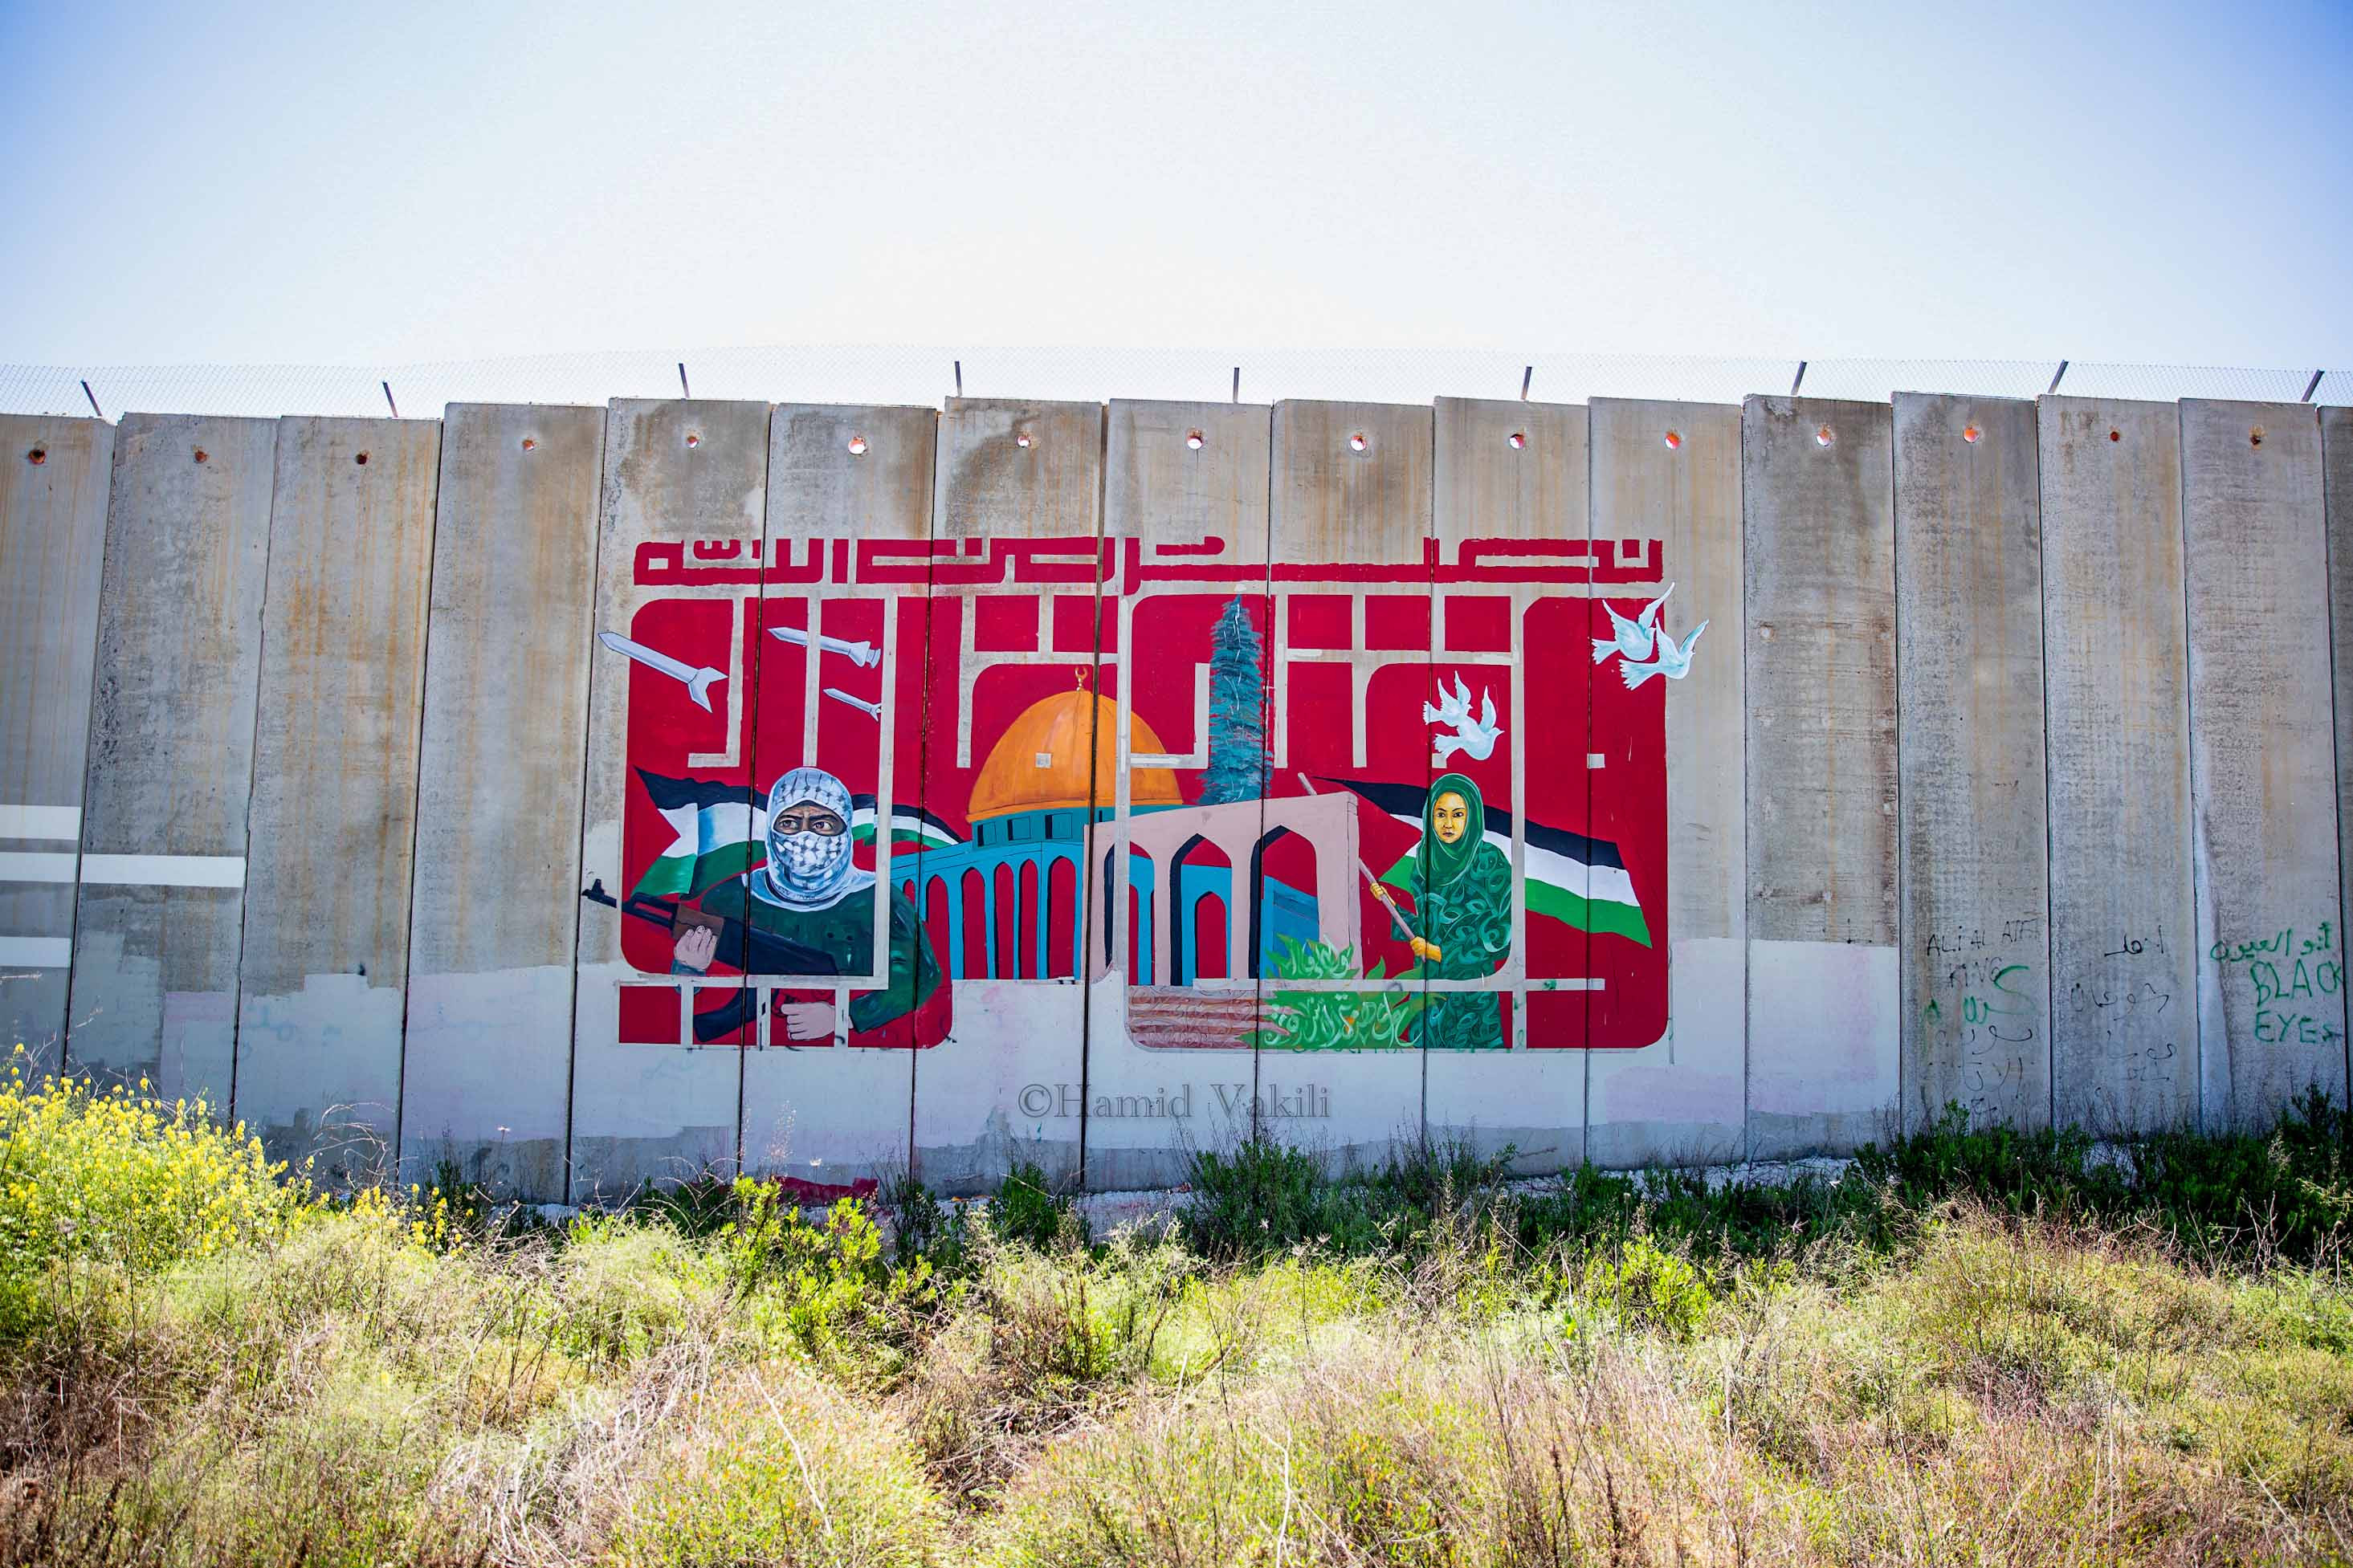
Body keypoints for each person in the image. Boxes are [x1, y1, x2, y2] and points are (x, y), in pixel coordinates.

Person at [672, 766, 943, 1042]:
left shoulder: (878, 897)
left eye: (822, 824)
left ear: (845, 829)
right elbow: (690, 994)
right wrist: (689, 969)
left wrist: (844, 1016)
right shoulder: (731, 898)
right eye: (789, 823)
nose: (805, 837)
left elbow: (922, 975)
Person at [1400, 771, 1512, 1051]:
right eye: (1440, 814)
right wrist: (1394, 910)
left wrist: (1441, 952)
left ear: (1472, 816)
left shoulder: (1489, 861)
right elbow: (1427, 927)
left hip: (1473, 995)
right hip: (1428, 993)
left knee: (1478, 1068)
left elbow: (1503, 935)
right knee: (1421, 1065)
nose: (1448, 824)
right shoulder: (1424, 861)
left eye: (1458, 814)